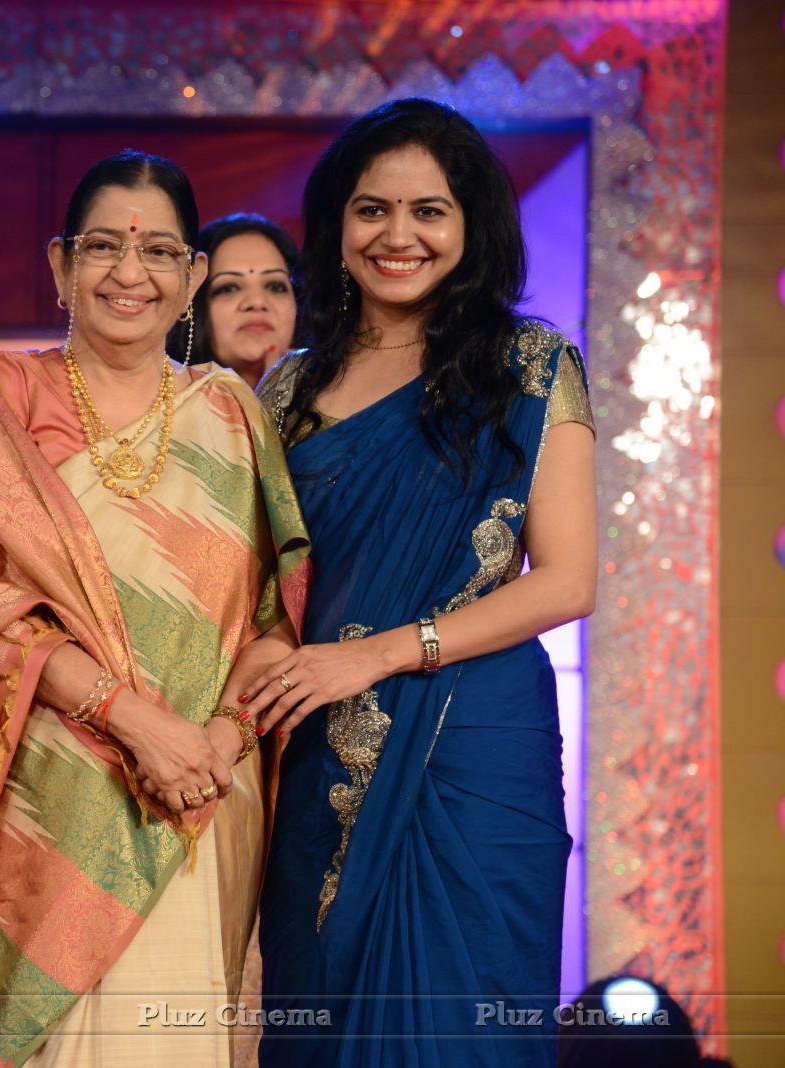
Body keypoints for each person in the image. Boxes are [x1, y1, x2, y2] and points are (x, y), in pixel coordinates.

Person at [0, 151, 311, 1065]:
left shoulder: (233, 413)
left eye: (161, 251)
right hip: (48, 794)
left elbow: (275, 620)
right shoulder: (7, 397)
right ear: (59, 265)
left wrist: (219, 740)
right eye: (102, 248)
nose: (131, 274)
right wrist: (132, 724)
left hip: (199, 799)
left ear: (193, 276)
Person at [246, 98, 597, 1065]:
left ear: (472, 223)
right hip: (319, 740)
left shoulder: (532, 363)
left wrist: (382, 655)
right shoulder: (290, 388)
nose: (398, 236)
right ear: (337, 224)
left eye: (428, 212)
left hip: (475, 743)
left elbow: (567, 583)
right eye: (371, 210)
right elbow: (261, 582)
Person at [181, 213, 300, 385]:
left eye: (275, 286)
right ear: (195, 305)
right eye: (229, 288)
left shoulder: (339, 402)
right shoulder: (165, 408)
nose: (257, 302)